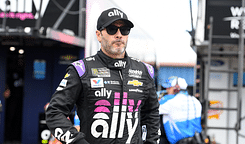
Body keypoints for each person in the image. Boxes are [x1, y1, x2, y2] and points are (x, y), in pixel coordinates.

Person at [46, 8, 160, 144]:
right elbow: (54, 112)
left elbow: (151, 114)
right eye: (112, 29)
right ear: (99, 35)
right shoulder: (82, 70)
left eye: (124, 30)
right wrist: (77, 141)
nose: (119, 35)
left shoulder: (144, 71)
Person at [158, 76, 202, 144]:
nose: (167, 90)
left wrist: (158, 98)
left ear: (176, 88)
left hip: (179, 141)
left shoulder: (170, 102)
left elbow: (152, 109)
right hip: (195, 140)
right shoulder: (196, 101)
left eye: (169, 88)